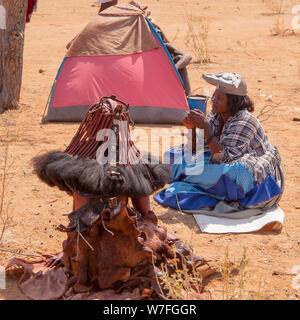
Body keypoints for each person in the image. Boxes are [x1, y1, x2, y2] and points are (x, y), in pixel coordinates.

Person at [155, 72, 284, 212]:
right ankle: (196, 179)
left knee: (237, 173)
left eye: (219, 98)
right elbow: (196, 149)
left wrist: (205, 127)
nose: (213, 100)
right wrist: (192, 129)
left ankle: (186, 176)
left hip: (253, 177)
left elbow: (223, 158)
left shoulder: (245, 121)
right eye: (214, 96)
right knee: (172, 156)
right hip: (218, 165)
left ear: (233, 102)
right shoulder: (216, 115)